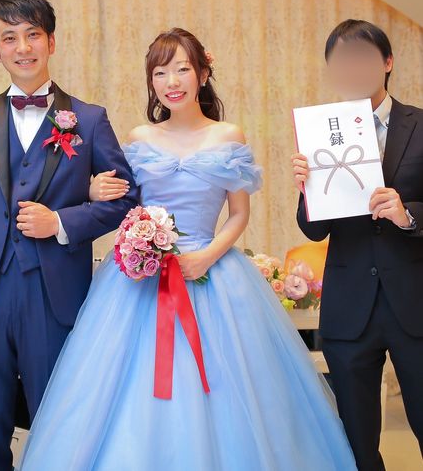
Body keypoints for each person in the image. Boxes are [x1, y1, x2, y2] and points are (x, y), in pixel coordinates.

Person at [19, 28, 357, 470]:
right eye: (160, 73)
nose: (172, 81)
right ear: (151, 81)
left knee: (233, 391)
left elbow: (238, 214)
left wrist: (206, 256)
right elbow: (123, 202)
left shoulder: (228, 135)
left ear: (202, 74)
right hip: (141, 280)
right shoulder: (139, 137)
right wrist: (95, 191)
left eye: (182, 69)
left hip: (212, 272)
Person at [0, 0, 139, 470]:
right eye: (10, 38)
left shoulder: (89, 119)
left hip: (55, 295)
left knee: (57, 425)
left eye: (32, 35)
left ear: (51, 41)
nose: (23, 47)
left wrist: (62, 222)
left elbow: (127, 198)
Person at [292, 19, 423, 470]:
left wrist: (408, 214)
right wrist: (307, 190)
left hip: (414, 302)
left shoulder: (420, 125)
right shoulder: (320, 133)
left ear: (387, 62)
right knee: (356, 443)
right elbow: (314, 231)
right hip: (350, 307)